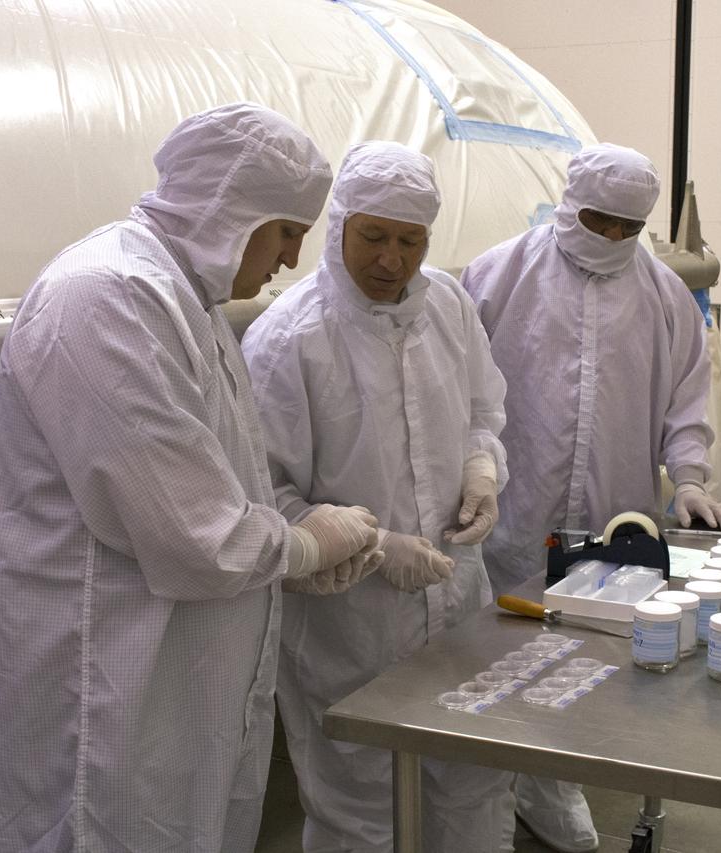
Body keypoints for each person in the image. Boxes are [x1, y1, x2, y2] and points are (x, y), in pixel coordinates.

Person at [0, 103, 384, 853]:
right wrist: (300, 547)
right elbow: (195, 533)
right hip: (109, 703)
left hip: (182, 690)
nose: (291, 260)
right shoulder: (106, 296)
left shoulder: (183, 300)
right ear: (236, 209)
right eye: (288, 232)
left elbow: (215, 489)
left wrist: (284, 566)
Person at [461, 142, 721, 853]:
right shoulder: (497, 276)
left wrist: (693, 478)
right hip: (512, 505)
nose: (612, 238)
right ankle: (494, 785)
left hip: (614, 510)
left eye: (627, 227)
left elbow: (685, 397)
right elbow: (458, 388)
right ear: (567, 203)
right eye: (597, 220)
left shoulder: (665, 296)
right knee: (501, 649)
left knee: (586, 654)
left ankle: (552, 778)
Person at [241, 141, 512, 852]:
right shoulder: (288, 341)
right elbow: (260, 492)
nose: (391, 259)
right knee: (360, 808)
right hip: (350, 626)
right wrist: (372, 544)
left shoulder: (448, 307)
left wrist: (482, 469)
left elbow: (485, 410)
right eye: (373, 236)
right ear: (339, 228)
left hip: (458, 606)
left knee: (475, 783)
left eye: (410, 240)